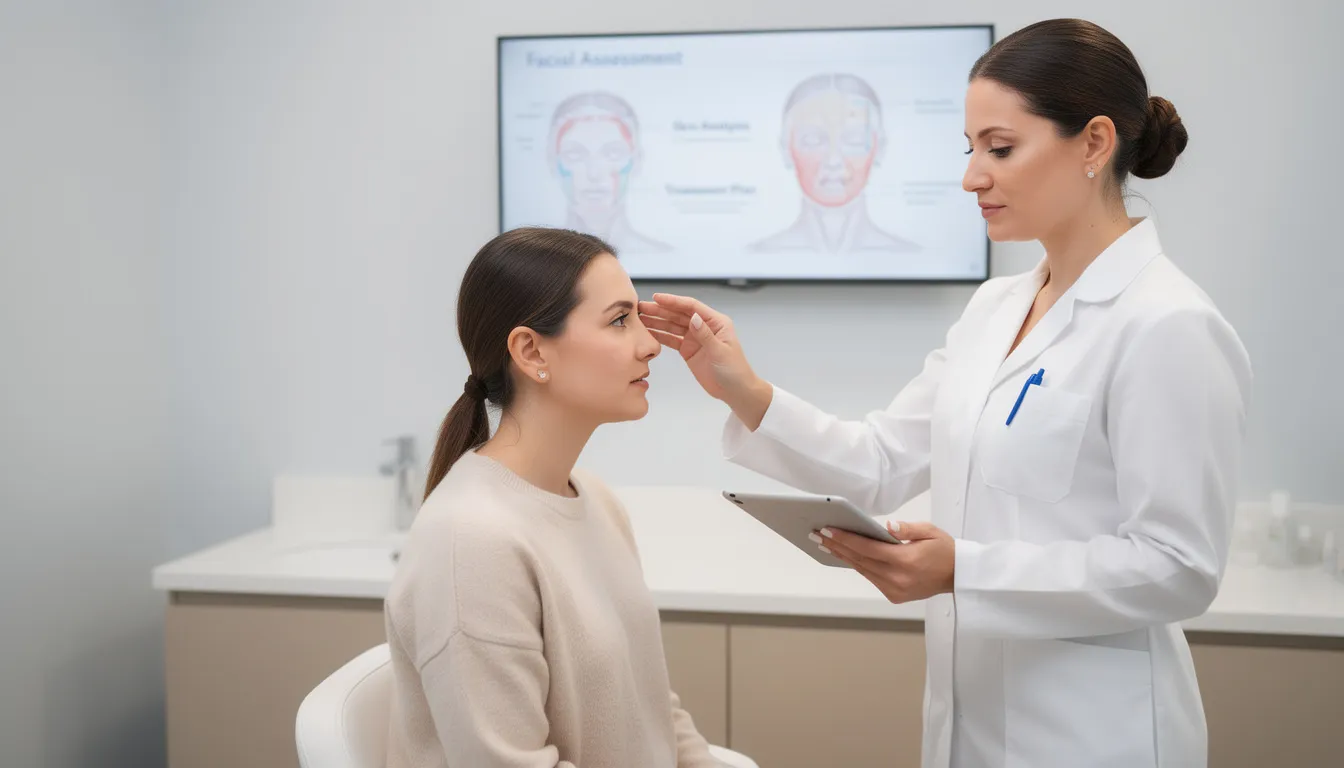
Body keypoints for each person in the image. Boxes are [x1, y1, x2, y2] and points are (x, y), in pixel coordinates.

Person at [640, 18, 1251, 768]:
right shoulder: (996, 308)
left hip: (1096, 738)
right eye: (971, 150)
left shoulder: (1167, 324)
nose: (972, 178)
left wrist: (967, 569)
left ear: (1094, 143)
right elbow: (879, 463)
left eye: (1001, 148)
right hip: (969, 729)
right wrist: (743, 389)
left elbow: (1178, 567)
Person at [383, 227, 720, 767]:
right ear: (531, 350)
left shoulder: (596, 501)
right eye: (619, 320)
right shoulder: (471, 541)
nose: (651, 345)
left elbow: (653, 707)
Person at [749, 73, 919, 255]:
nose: (833, 160)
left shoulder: (908, 255)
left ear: (880, 148)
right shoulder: (759, 254)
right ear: (786, 149)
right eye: (813, 140)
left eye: (854, 140)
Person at [548, 91, 672, 254]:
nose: (594, 173)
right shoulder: (533, 262)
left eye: (613, 153)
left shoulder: (662, 257)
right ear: (552, 162)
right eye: (575, 154)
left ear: (637, 161)